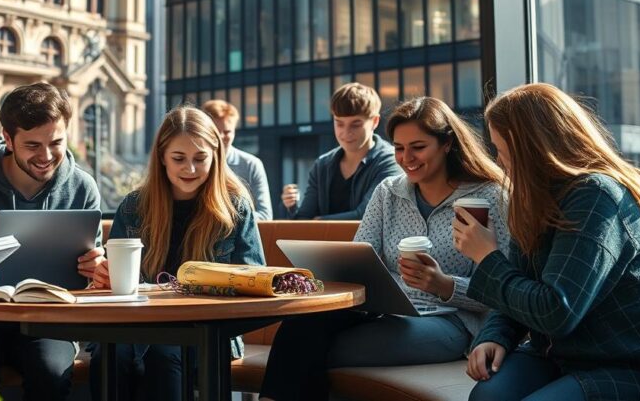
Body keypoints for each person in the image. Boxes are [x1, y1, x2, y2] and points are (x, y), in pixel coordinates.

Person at [259, 97, 508, 401]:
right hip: (382, 312)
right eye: (399, 148)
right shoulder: (388, 192)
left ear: (446, 144)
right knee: (300, 326)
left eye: (418, 147)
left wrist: (444, 285)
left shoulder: (488, 198)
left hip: (448, 320)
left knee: (308, 346)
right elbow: (358, 260)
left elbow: (502, 290)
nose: (406, 158)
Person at [457, 83, 640, 401]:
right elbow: (518, 284)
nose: (500, 162)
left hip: (631, 363)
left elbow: (556, 311)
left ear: (531, 148)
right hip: (562, 355)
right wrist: (494, 336)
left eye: (501, 150)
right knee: (486, 397)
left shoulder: (596, 196)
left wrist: (486, 256)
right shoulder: (534, 199)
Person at [0, 82, 104, 400]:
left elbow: (89, 277)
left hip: (49, 321)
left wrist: (96, 268)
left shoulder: (82, 187)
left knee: (52, 374)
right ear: (8, 139)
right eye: (32, 145)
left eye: (56, 142)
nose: (46, 156)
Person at [90, 106, 264, 401]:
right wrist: (104, 276)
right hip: (137, 325)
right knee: (110, 355)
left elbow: (253, 279)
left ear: (216, 157)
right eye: (179, 159)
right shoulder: (134, 207)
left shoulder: (235, 207)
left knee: (164, 353)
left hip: (208, 331)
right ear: (161, 158)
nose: (190, 169)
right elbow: (114, 282)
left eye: (200, 159)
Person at [281, 83, 399, 220]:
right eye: (339, 123)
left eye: (356, 124)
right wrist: (290, 206)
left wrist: (320, 222)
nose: (346, 132)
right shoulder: (322, 165)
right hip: (326, 241)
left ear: (375, 121)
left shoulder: (390, 160)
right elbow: (304, 220)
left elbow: (368, 216)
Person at [201, 99, 273, 221]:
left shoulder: (251, 165)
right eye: (216, 132)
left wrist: (222, 218)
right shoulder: (195, 164)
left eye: (227, 131)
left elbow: (265, 216)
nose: (221, 137)